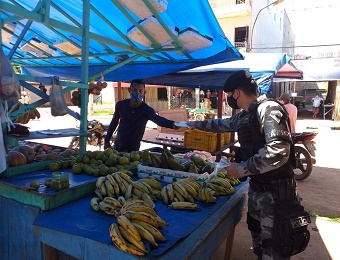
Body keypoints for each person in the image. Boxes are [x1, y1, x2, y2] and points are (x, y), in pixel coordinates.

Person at [187, 70, 308, 259]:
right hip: (258, 193)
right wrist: (192, 125)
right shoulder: (247, 115)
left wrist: (241, 169)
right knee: (261, 247)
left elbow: (278, 152)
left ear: (236, 93)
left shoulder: (268, 109)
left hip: (276, 197)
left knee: (275, 250)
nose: (228, 99)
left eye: (228, 95)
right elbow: (222, 124)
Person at [104, 79, 179, 152]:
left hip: (133, 150)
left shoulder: (146, 110)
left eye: (140, 91)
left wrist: (173, 124)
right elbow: (114, 122)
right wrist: (107, 140)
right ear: (129, 90)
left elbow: (158, 120)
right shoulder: (121, 105)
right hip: (118, 146)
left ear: (144, 93)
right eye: (135, 90)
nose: (137, 93)